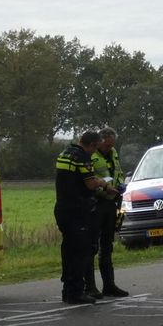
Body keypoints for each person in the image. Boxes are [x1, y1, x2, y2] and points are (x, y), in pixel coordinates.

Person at [54, 130, 103, 304]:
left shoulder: (65, 153)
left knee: (68, 250)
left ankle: (67, 290)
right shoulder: (82, 157)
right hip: (77, 209)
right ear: (92, 144)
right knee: (80, 251)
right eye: (95, 148)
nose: (94, 152)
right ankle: (76, 291)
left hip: (62, 208)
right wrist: (101, 182)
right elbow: (89, 183)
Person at [91, 126, 129, 297]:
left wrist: (120, 184)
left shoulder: (113, 152)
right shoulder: (91, 156)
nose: (110, 148)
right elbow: (89, 182)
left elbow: (118, 172)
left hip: (112, 203)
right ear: (99, 143)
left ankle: (109, 284)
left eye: (112, 145)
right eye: (107, 145)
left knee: (107, 245)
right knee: (92, 246)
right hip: (97, 203)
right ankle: (90, 287)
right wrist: (105, 191)